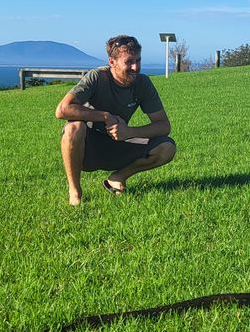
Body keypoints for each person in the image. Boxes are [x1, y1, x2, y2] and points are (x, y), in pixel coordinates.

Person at [55, 35, 176, 205]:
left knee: (167, 147)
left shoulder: (143, 83)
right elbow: (62, 110)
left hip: (118, 143)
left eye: (138, 60)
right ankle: (75, 191)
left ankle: (118, 177)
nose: (135, 67)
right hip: (88, 148)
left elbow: (164, 125)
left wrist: (130, 132)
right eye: (129, 62)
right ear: (112, 62)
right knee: (73, 128)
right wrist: (105, 116)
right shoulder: (96, 77)